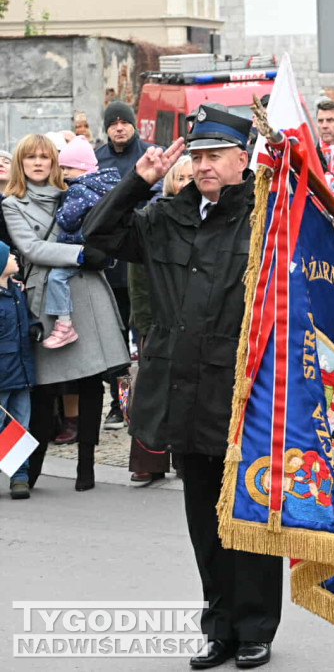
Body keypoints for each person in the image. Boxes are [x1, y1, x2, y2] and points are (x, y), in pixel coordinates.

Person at [86, 106, 283, 668]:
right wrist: (138, 180)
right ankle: (218, 625)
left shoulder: (269, 217)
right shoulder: (167, 215)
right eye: (196, 156)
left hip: (245, 389)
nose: (203, 166)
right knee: (204, 519)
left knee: (249, 511)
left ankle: (255, 628)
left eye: (215, 155)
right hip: (182, 387)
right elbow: (97, 234)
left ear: (242, 159)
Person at [3, 134, 129, 493]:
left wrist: (102, 251)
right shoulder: (13, 203)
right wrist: (78, 255)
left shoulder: (73, 190)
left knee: (90, 381)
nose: (39, 163)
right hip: (46, 298)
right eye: (31, 158)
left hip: (86, 292)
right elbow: (30, 247)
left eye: (46, 157)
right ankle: (31, 468)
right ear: (20, 164)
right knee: (44, 387)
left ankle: (86, 468)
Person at [126, 154, 194, 484]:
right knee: (150, 393)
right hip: (157, 322)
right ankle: (148, 460)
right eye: (181, 178)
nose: (187, 184)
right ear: (170, 182)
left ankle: (185, 456)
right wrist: (145, 323)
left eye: (193, 178)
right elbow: (138, 280)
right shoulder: (154, 217)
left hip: (193, 324)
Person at [95, 100, 157, 431]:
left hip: (144, 266)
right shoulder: (97, 159)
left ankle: (146, 401)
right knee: (116, 340)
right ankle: (120, 404)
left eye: (124, 122)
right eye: (113, 123)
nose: (119, 127)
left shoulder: (149, 154)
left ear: (133, 125)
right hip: (110, 269)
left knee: (146, 336)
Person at [40, 136, 120, 350]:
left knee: (57, 277)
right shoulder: (104, 184)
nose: (64, 173)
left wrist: (60, 212)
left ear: (82, 167)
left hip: (78, 246)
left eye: (68, 168)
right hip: (100, 249)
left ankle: (64, 324)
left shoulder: (78, 189)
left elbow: (69, 219)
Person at [0, 240, 41, 499]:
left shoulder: (17, 292)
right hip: (2, 374)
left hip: (22, 372)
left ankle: (20, 476)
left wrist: (34, 326)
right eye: (8, 255)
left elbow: (26, 317)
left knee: (20, 426)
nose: (15, 256)